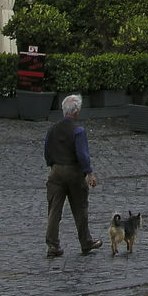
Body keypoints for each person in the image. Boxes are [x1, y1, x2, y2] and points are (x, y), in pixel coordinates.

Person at [44, 93, 100, 258]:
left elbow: (47, 150)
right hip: (74, 172)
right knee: (80, 208)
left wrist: (52, 166)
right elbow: (82, 155)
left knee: (54, 210)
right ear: (77, 112)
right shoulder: (78, 130)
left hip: (55, 171)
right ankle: (86, 241)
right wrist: (89, 173)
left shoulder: (53, 128)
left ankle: (52, 245)